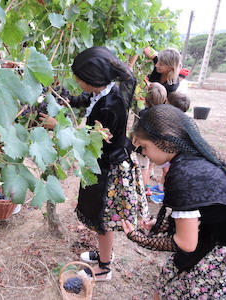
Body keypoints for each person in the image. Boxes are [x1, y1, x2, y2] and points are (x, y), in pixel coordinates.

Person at [40, 46, 148, 281]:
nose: (77, 81)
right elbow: (87, 99)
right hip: (105, 163)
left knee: (103, 218)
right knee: (102, 216)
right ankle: (103, 254)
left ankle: (104, 268)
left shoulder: (109, 107)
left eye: (80, 79)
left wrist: (57, 125)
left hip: (109, 168)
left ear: (95, 81)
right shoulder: (105, 93)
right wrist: (69, 98)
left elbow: (88, 139)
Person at [122, 104, 226, 299]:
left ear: (164, 141)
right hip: (218, 235)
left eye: (144, 146)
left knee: (182, 289)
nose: (143, 152)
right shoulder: (195, 156)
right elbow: (201, 212)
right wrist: (162, 226)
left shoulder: (181, 175)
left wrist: (140, 238)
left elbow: (186, 243)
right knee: (171, 281)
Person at [149, 92, 191, 203]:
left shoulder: (173, 120)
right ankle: (161, 187)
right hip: (172, 153)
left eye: (166, 101)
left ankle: (165, 194)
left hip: (173, 154)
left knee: (168, 172)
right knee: (165, 171)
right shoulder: (179, 119)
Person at [138, 82, 167, 197]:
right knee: (149, 165)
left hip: (144, 146)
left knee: (143, 168)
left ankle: (145, 189)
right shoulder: (164, 113)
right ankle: (148, 187)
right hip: (156, 146)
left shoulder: (143, 113)